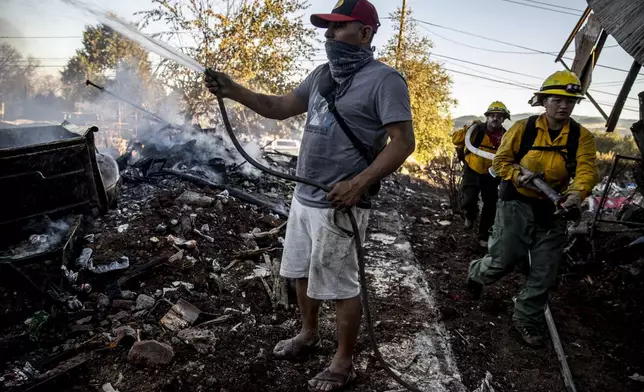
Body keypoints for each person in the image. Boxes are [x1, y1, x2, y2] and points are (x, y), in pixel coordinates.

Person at [205, 0, 415, 390]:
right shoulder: (322, 75)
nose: (329, 34)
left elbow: (403, 143)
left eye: (339, 27)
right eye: (327, 27)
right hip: (304, 197)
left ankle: (343, 360)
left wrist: (359, 183)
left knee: (340, 285)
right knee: (301, 272)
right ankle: (308, 333)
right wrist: (233, 89)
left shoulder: (386, 81)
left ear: (365, 33)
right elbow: (279, 107)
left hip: (340, 203)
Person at [466, 70, 598, 348]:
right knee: (504, 261)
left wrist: (575, 195)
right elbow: (501, 162)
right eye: (557, 99)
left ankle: (527, 319)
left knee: (545, 271)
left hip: (554, 207)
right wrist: (517, 175)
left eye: (570, 101)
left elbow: (586, 171)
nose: (564, 106)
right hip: (517, 200)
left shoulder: (580, 136)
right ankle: (476, 272)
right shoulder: (522, 129)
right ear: (543, 101)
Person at [452, 101, 510, 247]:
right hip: (472, 168)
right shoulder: (477, 130)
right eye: (492, 116)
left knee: (490, 205)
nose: (495, 119)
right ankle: (470, 215)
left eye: (499, 116)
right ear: (487, 117)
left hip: (491, 174)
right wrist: (469, 128)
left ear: (504, 119)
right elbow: (455, 139)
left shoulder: (506, 137)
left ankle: (483, 235)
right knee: (468, 198)